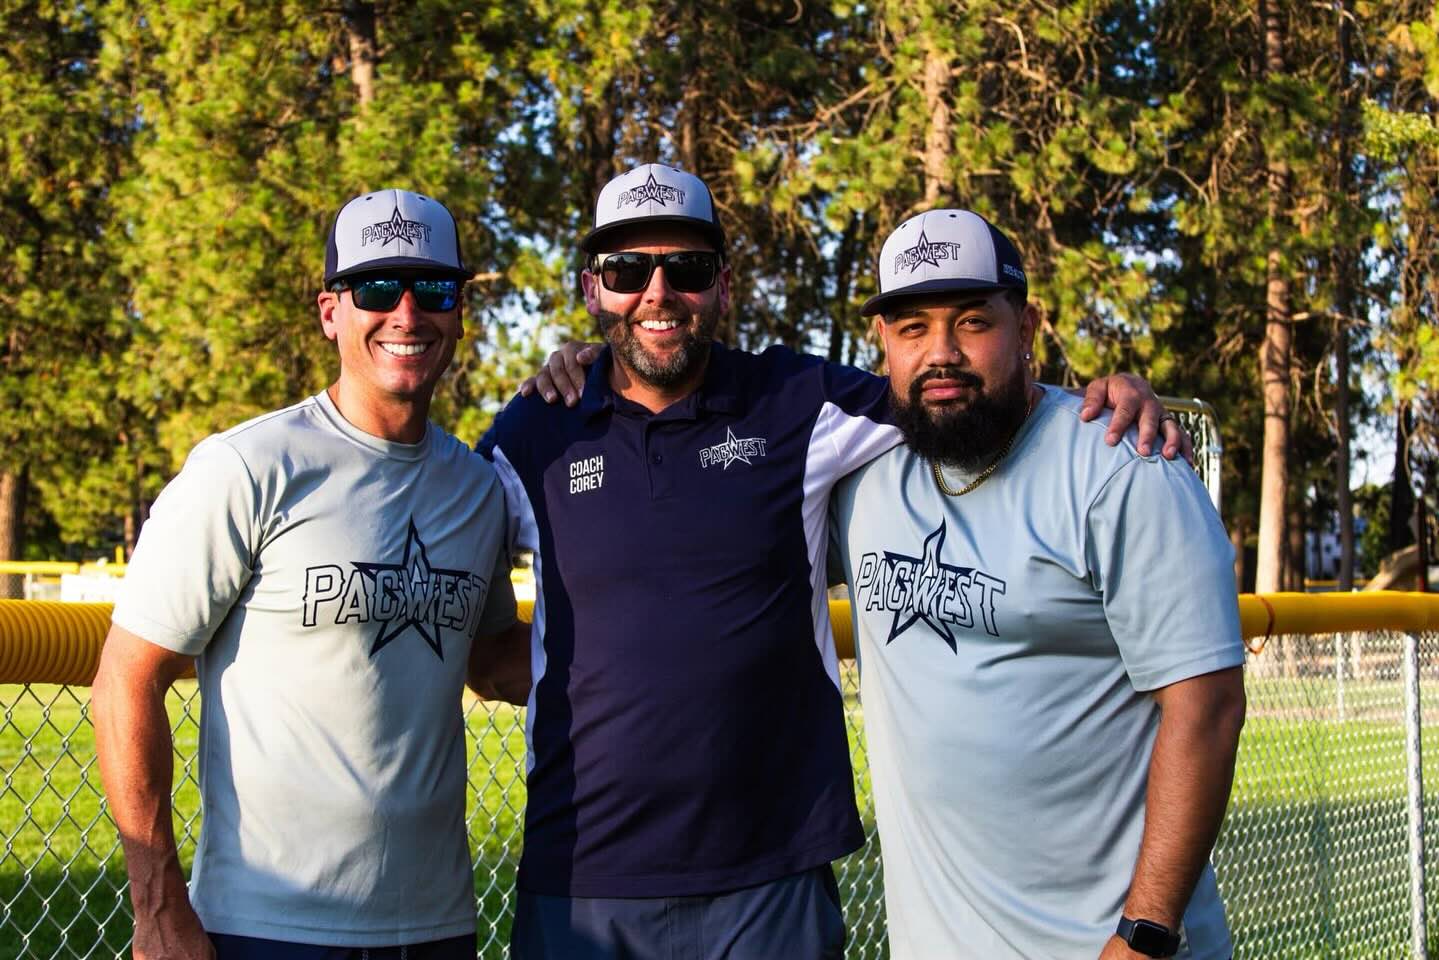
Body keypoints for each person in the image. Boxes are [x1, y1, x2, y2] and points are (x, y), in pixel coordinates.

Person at [485, 163, 1188, 960]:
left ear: (722, 286)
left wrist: (1101, 395)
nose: (657, 293)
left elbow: (952, 389)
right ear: (592, 289)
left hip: (770, 879)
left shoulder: (796, 400)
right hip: (577, 877)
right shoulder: (533, 433)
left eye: (686, 268)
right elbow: (455, 582)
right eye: (626, 271)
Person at [92, 188, 527, 960]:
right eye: (375, 288)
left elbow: (493, 662)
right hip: (266, 925)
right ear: (331, 311)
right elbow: (126, 679)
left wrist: (658, 638)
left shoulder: (475, 487)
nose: (406, 312)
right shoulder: (247, 466)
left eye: (433, 289)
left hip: (437, 924)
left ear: (459, 311)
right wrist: (157, 907)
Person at [828, 209, 1246, 959]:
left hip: (1109, 945)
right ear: (883, 341)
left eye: (972, 322)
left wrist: (1144, 935)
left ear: (1025, 326)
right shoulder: (859, 477)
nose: (941, 353)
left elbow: (1206, 709)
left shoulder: (1121, 465)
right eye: (913, 328)